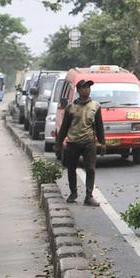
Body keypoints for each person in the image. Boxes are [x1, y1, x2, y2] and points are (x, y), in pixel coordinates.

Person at [54, 78, 105, 206]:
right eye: (84, 87)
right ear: (78, 90)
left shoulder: (95, 106)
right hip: (73, 142)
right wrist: (59, 144)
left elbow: (99, 126)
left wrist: (102, 143)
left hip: (89, 142)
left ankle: (89, 196)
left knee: (91, 169)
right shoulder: (71, 107)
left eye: (88, 87)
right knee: (71, 168)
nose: (86, 90)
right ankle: (73, 193)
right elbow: (64, 127)